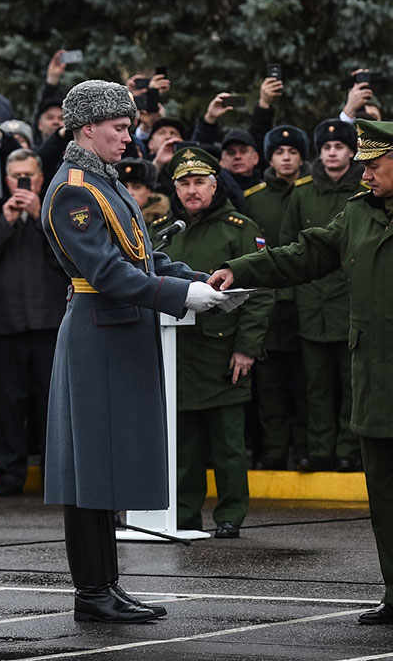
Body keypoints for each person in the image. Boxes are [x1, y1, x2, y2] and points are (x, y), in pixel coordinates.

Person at [210, 119, 393, 627]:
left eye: (374, 166)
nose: (365, 176)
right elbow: (307, 254)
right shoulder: (358, 213)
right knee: (383, 497)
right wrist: (243, 271)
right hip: (374, 379)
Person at [40, 79, 233, 623]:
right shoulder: (75, 188)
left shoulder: (105, 180)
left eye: (130, 127)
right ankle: (92, 593)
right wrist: (179, 296)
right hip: (98, 333)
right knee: (90, 470)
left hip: (119, 332)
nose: (130, 136)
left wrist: (199, 281)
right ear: (86, 128)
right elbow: (105, 273)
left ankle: (106, 585)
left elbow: (141, 257)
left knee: (107, 467)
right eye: (119, 128)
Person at [153, 147, 272, 538]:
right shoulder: (165, 232)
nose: (191, 191)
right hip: (178, 354)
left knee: (228, 443)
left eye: (199, 182)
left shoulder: (239, 229)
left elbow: (261, 292)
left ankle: (230, 514)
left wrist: (247, 347)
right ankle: (184, 515)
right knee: (184, 444)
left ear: (215, 185)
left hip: (224, 352)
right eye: (184, 184)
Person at [0, 149, 68, 496]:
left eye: (28, 175)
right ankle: (10, 475)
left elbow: (69, 255)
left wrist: (39, 215)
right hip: (6, 328)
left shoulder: (55, 212)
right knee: (7, 408)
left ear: (40, 178)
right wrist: (7, 222)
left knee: (51, 407)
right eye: (15, 176)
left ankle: (52, 479)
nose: (22, 182)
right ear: (6, 179)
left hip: (49, 326)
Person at [277, 118, 366, 472]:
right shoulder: (301, 193)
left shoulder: (363, 190)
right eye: (326, 148)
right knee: (314, 385)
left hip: (350, 301)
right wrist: (286, 299)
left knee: (350, 381)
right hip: (311, 303)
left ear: (351, 152)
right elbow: (287, 246)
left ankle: (348, 447)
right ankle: (319, 448)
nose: (332, 153)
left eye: (339, 147)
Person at [242, 125, 310, 469]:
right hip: (267, 303)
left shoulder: (309, 192)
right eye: (280, 153)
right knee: (268, 387)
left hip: (307, 303)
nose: (286, 158)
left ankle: (302, 447)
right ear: (270, 158)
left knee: (304, 384)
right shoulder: (254, 199)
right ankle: (273, 449)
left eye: (293, 153)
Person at [116, 158, 169, 223]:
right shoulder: (111, 218)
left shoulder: (163, 222)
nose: (129, 193)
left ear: (149, 191)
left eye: (137, 187)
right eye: (124, 187)